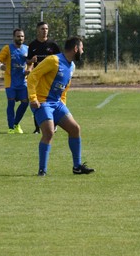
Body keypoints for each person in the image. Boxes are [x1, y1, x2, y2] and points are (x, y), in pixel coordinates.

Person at [27, 36, 94, 176]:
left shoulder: (72, 66)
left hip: (57, 103)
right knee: (49, 132)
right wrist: (33, 98)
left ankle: (77, 166)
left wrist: (62, 104)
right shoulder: (53, 60)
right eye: (82, 48)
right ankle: (42, 170)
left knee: (75, 129)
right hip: (42, 102)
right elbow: (33, 76)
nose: (83, 51)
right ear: (75, 48)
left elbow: (65, 87)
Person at [27, 22, 61, 133]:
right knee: (36, 101)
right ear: (38, 30)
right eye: (42, 29)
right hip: (38, 78)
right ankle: (37, 128)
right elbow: (28, 61)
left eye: (46, 28)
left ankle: (53, 124)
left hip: (50, 79)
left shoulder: (53, 45)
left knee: (52, 101)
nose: (45, 31)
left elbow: (60, 60)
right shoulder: (32, 45)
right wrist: (31, 61)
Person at [0, 28, 30, 134]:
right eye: (18, 36)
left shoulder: (27, 49)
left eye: (22, 36)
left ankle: (16, 123)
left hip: (23, 82)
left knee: (25, 102)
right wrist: (1, 66)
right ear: (14, 37)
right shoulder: (8, 48)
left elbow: (30, 62)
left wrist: (29, 69)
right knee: (11, 103)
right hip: (11, 81)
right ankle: (10, 127)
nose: (20, 38)